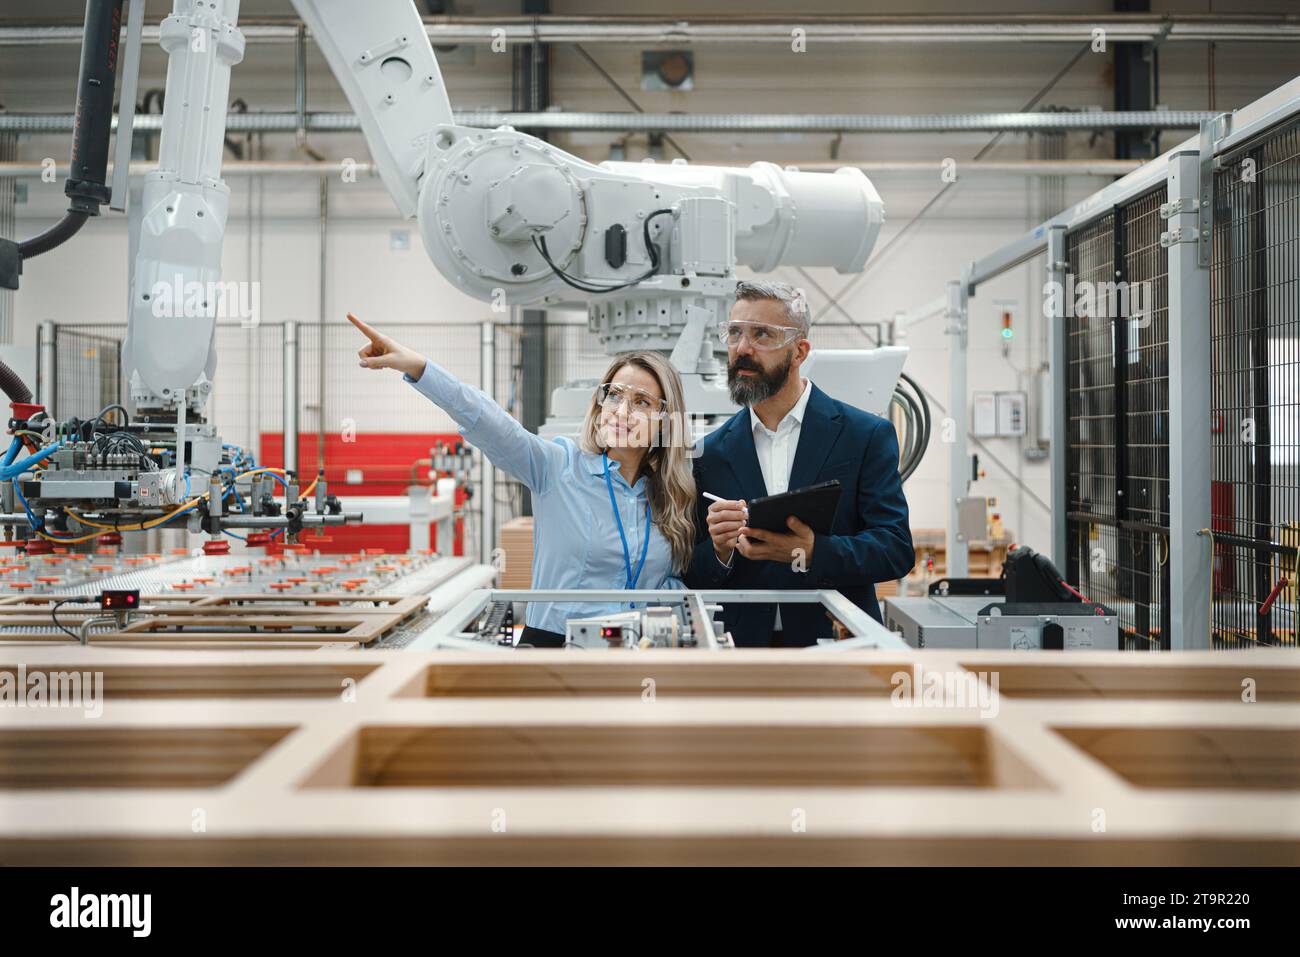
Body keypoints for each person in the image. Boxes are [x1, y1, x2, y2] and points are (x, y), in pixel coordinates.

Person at [348, 313, 697, 647]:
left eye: (641, 402)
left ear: (666, 420)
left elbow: (666, 582)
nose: (622, 412)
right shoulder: (557, 467)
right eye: (615, 395)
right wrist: (418, 367)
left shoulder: (668, 493)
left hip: (642, 649)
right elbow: (491, 422)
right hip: (556, 648)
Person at [685, 280, 914, 647]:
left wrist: (813, 553)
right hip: (740, 653)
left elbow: (895, 548)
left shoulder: (865, 436)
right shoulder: (709, 453)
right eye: (734, 333)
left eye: (762, 334)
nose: (742, 348)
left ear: (799, 351)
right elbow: (691, 570)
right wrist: (718, 550)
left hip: (837, 648)